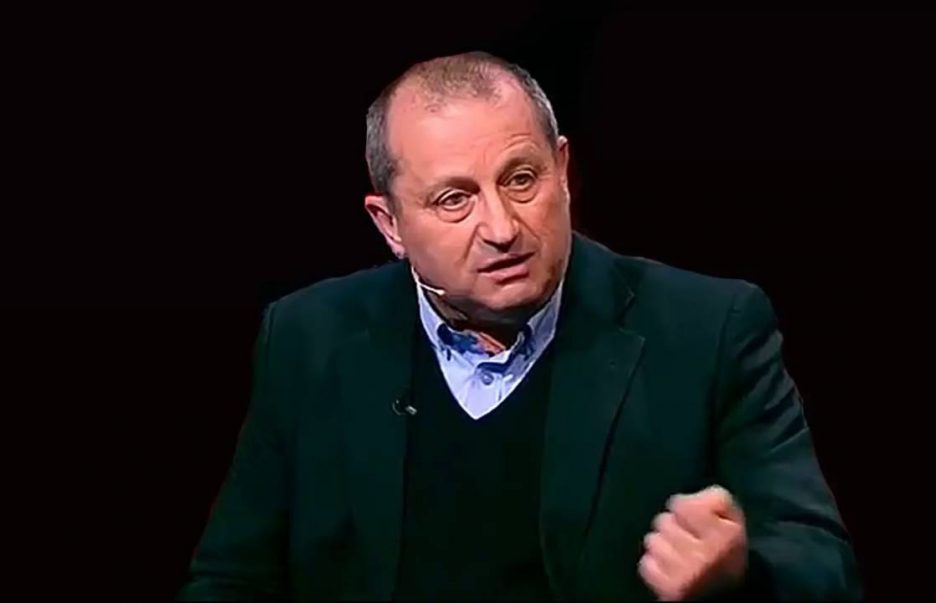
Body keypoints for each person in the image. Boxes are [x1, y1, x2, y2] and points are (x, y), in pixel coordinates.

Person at [178, 51, 861, 600]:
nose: (501, 227)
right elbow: (231, 578)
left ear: (562, 170)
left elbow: (823, 565)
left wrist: (742, 574)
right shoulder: (308, 338)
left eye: (521, 179)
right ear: (389, 224)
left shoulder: (708, 329)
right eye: (455, 199)